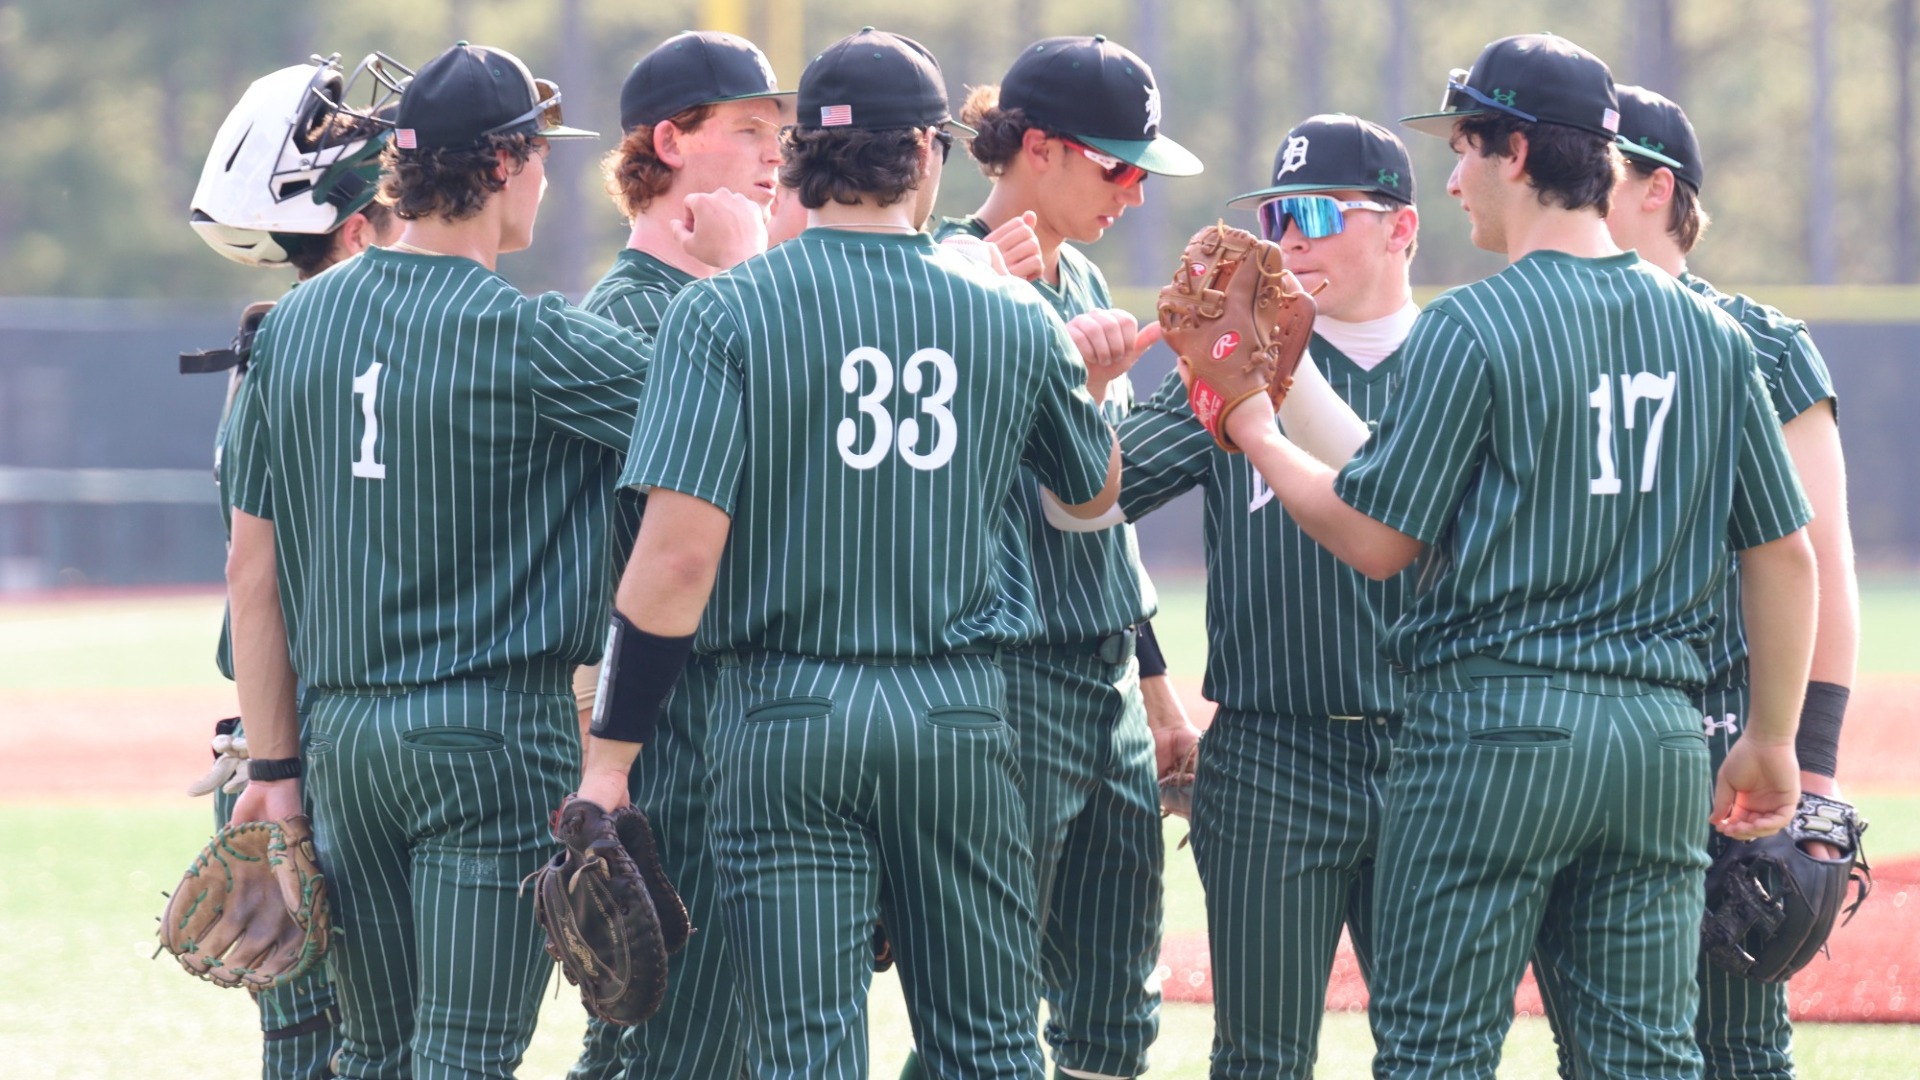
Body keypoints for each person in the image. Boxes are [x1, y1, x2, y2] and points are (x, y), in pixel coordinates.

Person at [1199, 33, 1816, 1076]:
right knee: (1646, 1055)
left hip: (1494, 732)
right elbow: (1785, 553)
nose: (1450, 177)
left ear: (1519, 155)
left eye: (1467, 147)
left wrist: (1254, 423)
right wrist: (1772, 738)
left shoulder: (1472, 327)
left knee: (1437, 1051)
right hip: (1659, 744)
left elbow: (1377, 539)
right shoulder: (1711, 335)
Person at [573, 27, 1125, 1079]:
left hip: (783, 722)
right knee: (993, 1047)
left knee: (806, 1052)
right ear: (926, 154)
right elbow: (1088, 488)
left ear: (799, 162)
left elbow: (677, 562)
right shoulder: (1011, 310)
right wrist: (1082, 385)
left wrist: (610, 763)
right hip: (958, 717)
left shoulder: (721, 311)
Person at [223, 42, 651, 1078]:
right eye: (541, 155)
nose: (546, 176)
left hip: (344, 746)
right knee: (463, 1058)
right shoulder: (534, 337)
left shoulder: (290, 330)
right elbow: (727, 432)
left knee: (371, 1055)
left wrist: (276, 772)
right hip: (487, 741)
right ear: (503, 166)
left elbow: (252, 574)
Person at [1529, 84, 1861, 1080]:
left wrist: (1815, 769)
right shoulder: (1549, 325)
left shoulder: (1762, 344)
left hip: (1728, 741)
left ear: (1658, 190)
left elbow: (1824, 565)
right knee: (1596, 1039)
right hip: (1583, 730)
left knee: (1740, 1046)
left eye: (1607, 165)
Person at [1116, 112, 1421, 1077]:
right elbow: (1104, 492)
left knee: (1436, 1053)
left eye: (1318, 211)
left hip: (1437, 750)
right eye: (1277, 213)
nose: (1288, 236)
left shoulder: (1468, 358)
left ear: (1401, 229)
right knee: (1259, 1059)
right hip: (1270, 755)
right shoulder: (1235, 354)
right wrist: (1078, 389)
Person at [923, 34, 1202, 1080]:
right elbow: (938, 486)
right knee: (988, 1009)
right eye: (1118, 165)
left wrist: (1160, 686)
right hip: (1007, 672)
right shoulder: (942, 272)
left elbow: (1106, 511)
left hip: (1103, 676)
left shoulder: (1081, 274)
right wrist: (1064, 391)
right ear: (1036, 148)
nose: (1134, 191)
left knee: (1117, 1008)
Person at [567, 29, 791, 1080]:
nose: (773, 154)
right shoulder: (635, 315)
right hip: (673, 746)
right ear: (669, 142)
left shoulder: (718, 305)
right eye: (748, 130)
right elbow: (746, 504)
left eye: (779, 134)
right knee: (673, 1052)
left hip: (731, 739)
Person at [182, 51, 405, 1080]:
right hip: (327, 760)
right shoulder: (365, 366)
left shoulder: (272, 350)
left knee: (317, 1051)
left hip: (283, 752)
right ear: (360, 229)